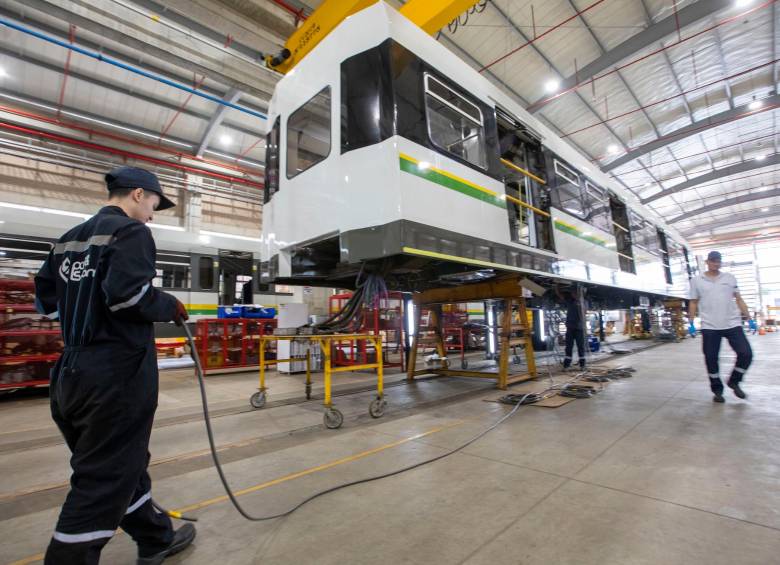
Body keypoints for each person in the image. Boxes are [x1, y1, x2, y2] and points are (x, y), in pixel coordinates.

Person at [34, 166, 195, 565]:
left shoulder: (69, 239)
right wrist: (168, 304)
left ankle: (156, 537)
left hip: (70, 372)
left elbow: (46, 302)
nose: (153, 215)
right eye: (154, 204)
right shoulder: (131, 233)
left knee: (122, 464)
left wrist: (83, 312)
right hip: (115, 374)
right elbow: (128, 297)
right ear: (138, 194)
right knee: (103, 480)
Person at [688, 251, 752, 403]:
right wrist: (690, 322)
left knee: (746, 353)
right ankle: (717, 390)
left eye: (719, 261)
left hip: (732, 323)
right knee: (711, 358)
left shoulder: (729, 278)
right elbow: (693, 302)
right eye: (713, 261)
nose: (716, 263)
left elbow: (739, 298)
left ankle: (734, 381)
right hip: (709, 326)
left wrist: (748, 317)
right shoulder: (697, 280)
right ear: (707, 262)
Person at [556, 285, 586, 370]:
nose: (573, 295)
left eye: (575, 293)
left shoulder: (584, 302)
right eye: (572, 293)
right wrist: (556, 286)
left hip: (579, 329)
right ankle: (566, 365)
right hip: (570, 328)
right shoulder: (570, 301)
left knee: (581, 346)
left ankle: (582, 365)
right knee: (568, 347)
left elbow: (584, 312)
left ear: (579, 294)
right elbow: (560, 295)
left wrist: (580, 303)